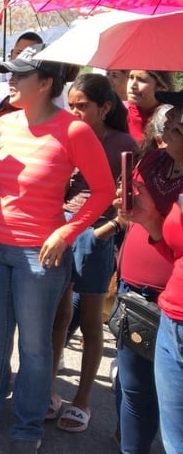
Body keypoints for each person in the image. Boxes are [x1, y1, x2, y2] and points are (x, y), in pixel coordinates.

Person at [0, 44, 115, 453]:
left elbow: (104, 191)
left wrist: (67, 232)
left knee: (35, 345)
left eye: (19, 75)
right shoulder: (4, 123)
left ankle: (27, 426)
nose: (10, 81)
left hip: (40, 253)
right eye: (10, 74)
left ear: (45, 83)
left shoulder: (73, 130)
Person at [50, 73, 137, 433]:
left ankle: (82, 400)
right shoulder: (67, 135)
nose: (75, 112)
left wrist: (101, 234)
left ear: (105, 108)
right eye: (70, 105)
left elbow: (128, 207)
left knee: (89, 321)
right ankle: (49, 391)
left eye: (82, 106)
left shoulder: (123, 144)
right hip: (61, 226)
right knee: (57, 314)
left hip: (96, 232)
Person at [126, 90, 183, 454]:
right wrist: (147, 218)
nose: (171, 123)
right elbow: (175, 249)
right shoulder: (155, 162)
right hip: (170, 314)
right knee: (169, 432)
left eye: (179, 124)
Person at [126, 70, 174, 142]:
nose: (132, 86)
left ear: (162, 88)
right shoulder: (119, 111)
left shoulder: (170, 118)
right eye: (131, 77)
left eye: (141, 80)